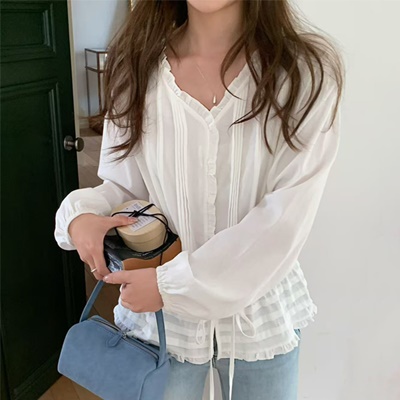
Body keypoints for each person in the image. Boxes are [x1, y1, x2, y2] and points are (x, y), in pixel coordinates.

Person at [55, 0, 345, 399]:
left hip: (258, 315)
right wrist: (83, 214)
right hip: (161, 322)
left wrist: (174, 286)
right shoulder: (135, 66)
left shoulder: (304, 73)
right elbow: (128, 190)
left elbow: (285, 219)